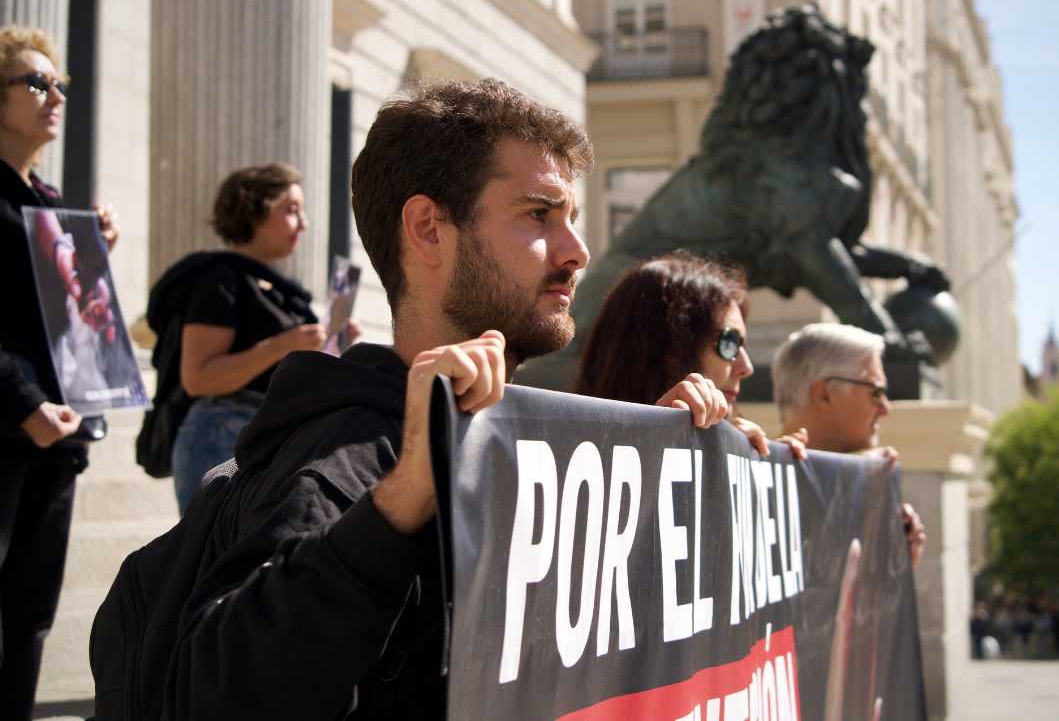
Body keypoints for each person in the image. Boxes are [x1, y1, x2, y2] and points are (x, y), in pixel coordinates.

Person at [104, 79, 733, 718]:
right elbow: (215, 695)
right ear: (429, 229)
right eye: (539, 213)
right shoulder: (343, 460)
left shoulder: (507, 439)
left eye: (571, 219)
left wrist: (670, 471)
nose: (577, 252)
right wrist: (401, 501)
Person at [0, 26, 118, 721]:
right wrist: (22, 402)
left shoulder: (50, 203)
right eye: (36, 83)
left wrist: (93, 251)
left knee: (29, 617)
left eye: (61, 85)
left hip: (57, 437)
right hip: (11, 427)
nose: (55, 97)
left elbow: (77, 325)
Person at [146, 162, 358, 511]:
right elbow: (198, 377)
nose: (303, 223)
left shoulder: (281, 290)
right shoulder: (220, 279)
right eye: (291, 211)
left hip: (270, 436)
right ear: (254, 208)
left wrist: (336, 342)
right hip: (222, 437)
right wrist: (283, 345)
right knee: (216, 559)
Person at [575, 250, 807, 458]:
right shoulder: (567, 454)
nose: (747, 367)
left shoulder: (737, 445)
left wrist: (766, 466)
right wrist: (654, 441)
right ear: (666, 351)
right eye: (729, 342)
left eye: (742, 345)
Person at [772, 322, 927, 563]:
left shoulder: (862, 484)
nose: (885, 407)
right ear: (824, 394)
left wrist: (893, 569)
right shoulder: (762, 486)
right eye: (875, 392)